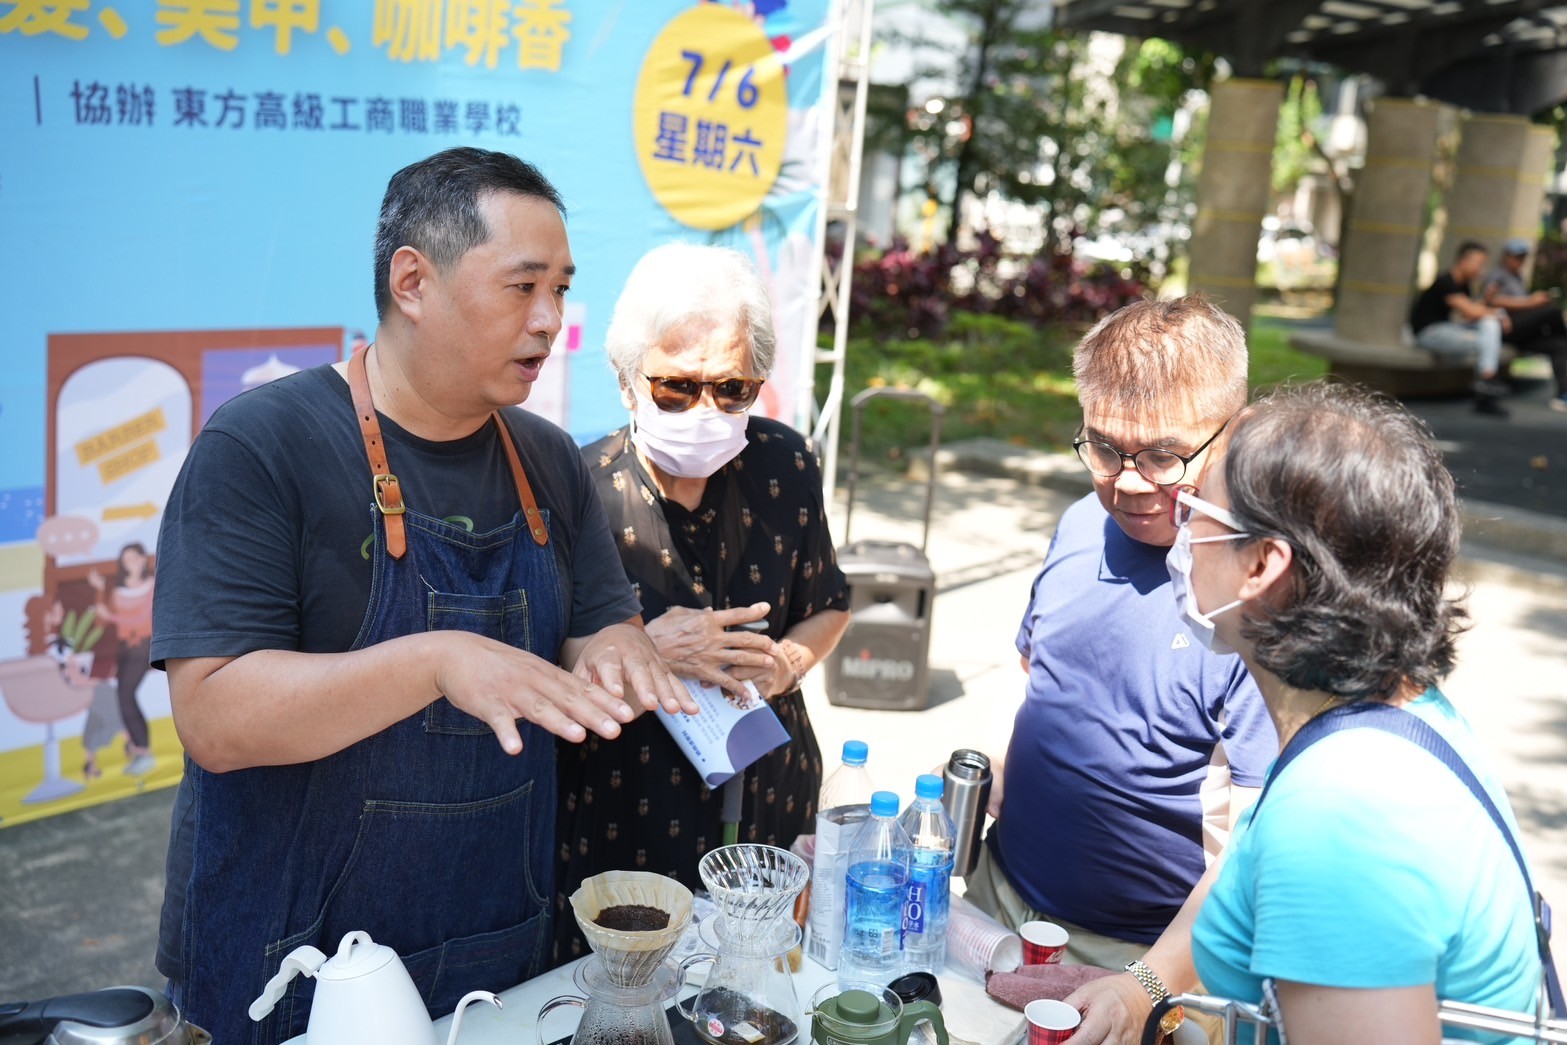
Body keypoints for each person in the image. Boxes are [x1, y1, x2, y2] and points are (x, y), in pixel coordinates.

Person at [150, 147, 692, 1045]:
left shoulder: (548, 457)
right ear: (412, 280)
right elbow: (215, 717)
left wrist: (620, 650)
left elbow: (601, 621)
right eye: (523, 287)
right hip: (293, 967)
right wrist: (435, 660)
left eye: (560, 289)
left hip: (495, 956)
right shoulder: (262, 445)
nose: (551, 318)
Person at [1183, 382, 1545, 1042]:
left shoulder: (1339, 815)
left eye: (1198, 507)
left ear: (1262, 563)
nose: (1182, 530)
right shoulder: (1402, 715)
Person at [963, 297, 1278, 1044]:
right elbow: (1035, 668)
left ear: (1231, 429)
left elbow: (1254, 850)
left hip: (1143, 960)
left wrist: (1145, 988)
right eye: (1104, 448)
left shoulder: (1254, 591)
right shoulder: (1080, 522)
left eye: (1162, 456)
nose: (1129, 482)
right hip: (998, 900)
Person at [553, 242, 850, 963]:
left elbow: (829, 602)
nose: (705, 409)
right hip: (624, 810)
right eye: (676, 388)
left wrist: (784, 662)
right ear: (627, 382)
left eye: (731, 389)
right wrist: (643, 648)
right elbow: (539, 660)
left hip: (767, 795)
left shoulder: (784, 463)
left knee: (757, 999)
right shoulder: (575, 490)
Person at [1409, 240, 1512, 417]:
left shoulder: (1463, 285)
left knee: (1489, 325)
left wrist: (1488, 300)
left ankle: (1487, 381)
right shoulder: (1446, 281)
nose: (1481, 270)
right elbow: (1471, 312)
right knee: (1485, 339)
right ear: (1464, 261)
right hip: (1429, 333)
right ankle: (1487, 385)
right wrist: (1499, 313)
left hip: (1445, 329)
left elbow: (1471, 314)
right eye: (1479, 264)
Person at [87, 542, 156, 776]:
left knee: (125, 695)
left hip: (143, 646)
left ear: (142, 559)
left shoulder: (151, 586)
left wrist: (114, 618)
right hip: (124, 647)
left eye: (134, 559)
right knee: (123, 696)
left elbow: (144, 622)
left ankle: (142, 750)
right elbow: (102, 619)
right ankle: (140, 749)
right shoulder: (118, 590)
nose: (130, 564)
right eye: (125, 561)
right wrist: (98, 590)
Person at [1483, 237, 1567, 412]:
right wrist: (1532, 303)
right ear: (1506, 256)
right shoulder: (1498, 276)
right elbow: (1491, 301)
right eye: (1516, 256)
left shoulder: (1517, 277)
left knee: (1559, 345)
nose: (1520, 261)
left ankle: (1564, 394)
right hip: (1505, 328)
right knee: (1551, 311)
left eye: (1523, 257)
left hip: (1522, 330)